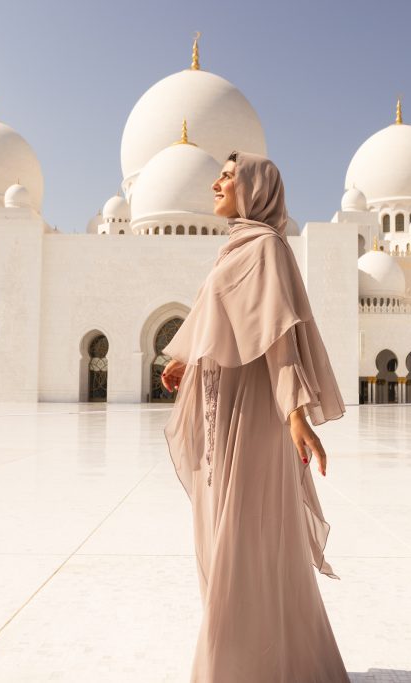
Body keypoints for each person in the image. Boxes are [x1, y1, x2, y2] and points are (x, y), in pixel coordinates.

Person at [160, 150, 350, 682]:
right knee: (222, 537)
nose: (216, 182)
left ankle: (236, 668)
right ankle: (258, 662)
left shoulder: (265, 247)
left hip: (256, 414)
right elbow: (218, 320)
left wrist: (295, 412)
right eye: (219, 175)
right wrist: (185, 360)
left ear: (254, 189)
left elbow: (278, 337)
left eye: (228, 176)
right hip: (223, 412)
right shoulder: (236, 248)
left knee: (245, 541)